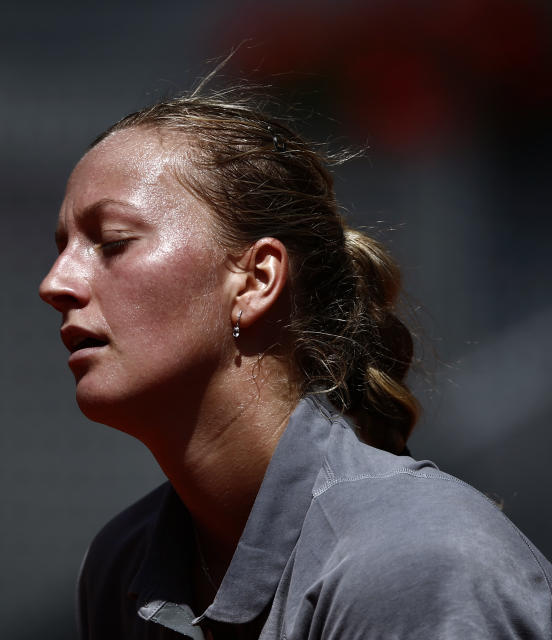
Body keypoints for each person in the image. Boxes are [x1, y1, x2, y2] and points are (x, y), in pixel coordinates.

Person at [38, 86, 552, 640]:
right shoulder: (123, 564)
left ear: (257, 280)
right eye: (62, 247)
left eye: (113, 242)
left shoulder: (419, 564)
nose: (54, 283)